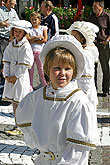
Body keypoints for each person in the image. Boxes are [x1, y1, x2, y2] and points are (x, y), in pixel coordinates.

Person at [16, 35, 98, 165]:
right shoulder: (37, 97)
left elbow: (77, 150)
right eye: (57, 68)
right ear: (47, 70)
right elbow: (24, 117)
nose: (62, 73)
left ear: (74, 71)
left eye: (67, 69)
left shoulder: (78, 101)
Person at [2, 20, 34, 135]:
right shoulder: (12, 44)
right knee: (14, 101)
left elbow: (26, 63)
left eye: (20, 32)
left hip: (20, 77)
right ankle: (17, 124)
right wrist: (6, 74)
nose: (17, 33)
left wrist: (16, 76)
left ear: (24, 33)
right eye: (15, 31)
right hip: (11, 75)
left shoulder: (25, 46)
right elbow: (6, 59)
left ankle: (22, 126)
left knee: (20, 101)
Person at [66, 21, 99, 108]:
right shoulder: (73, 51)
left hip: (83, 94)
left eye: (75, 37)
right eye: (71, 36)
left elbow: (86, 80)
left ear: (82, 39)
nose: (72, 38)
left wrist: (82, 96)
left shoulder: (85, 54)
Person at [88, 0, 110, 97]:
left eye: (95, 6)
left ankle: (106, 89)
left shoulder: (107, 16)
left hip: (103, 44)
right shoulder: (91, 17)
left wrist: (108, 40)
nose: (93, 8)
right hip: (93, 44)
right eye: (93, 6)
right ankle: (94, 88)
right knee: (93, 67)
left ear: (100, 7)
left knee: (105, 67)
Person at [0, 0, 19, 93]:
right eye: (13, 1)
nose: (15, 3)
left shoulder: (14, 12)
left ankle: (6, 84)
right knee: (2, 61)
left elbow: (18, 23)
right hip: (2, 40)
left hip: (12, 40)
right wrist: (1, 24)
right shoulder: (0, 11)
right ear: (8, 1)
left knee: (10, 61)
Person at [27, 11, 47, 89]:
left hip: (39, 51)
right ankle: (30, 87)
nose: (34, 21)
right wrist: (36, 37)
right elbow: (28, 40)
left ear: (39, 20)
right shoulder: (29, 29)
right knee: (30, 70)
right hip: (30, 51)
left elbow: (44, 39)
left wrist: (33, 40)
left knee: (41, 70)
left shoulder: (43, 28)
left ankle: (45, 85)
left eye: (35, 19)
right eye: (32, 19)